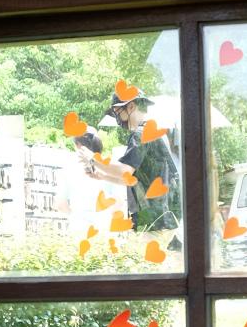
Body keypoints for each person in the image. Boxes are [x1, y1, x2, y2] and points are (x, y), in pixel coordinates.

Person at [77, 89, 183, 245]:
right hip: (162, 218)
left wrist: (93, 159)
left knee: (142, 266)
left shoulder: (141, 134)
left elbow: (125, 170)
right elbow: (133, 179)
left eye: (117, 111)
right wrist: (103, 176)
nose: (117, 118)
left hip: (154, 220)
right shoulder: (153, 132)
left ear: (131, 106)